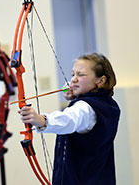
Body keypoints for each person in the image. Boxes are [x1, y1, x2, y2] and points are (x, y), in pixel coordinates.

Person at [18, 53, 120, 185]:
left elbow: (70, 119)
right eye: (73, 75)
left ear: (101, 81)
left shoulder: (86, 108)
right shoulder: (107, 104)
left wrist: (42, 119)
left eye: (81, 75)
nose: (73, 80)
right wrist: (76, 95)